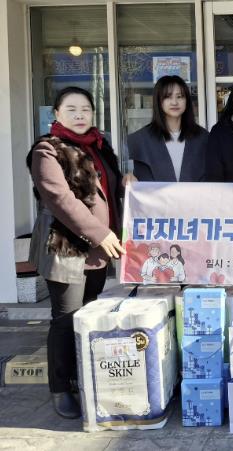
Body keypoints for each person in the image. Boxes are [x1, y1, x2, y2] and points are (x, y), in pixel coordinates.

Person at [26, 86, 125, 419]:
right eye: (71, 109)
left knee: (89, 313)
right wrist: (99, 233)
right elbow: (61, 199)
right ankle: (60, 387)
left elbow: (110, 189)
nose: (80, 115)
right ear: (56, 114)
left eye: (85, 109)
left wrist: (127, 181)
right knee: (66, 318)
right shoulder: (47, 150)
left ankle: (83, 377)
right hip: (65, 247)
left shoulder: (100, 146)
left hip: (98, 251)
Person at [127, 75, 208, 182]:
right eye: (168, 97)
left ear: (187, 101)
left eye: (180, 96)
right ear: (158, 101)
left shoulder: (203, 137)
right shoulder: (141, 139)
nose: (174, 102)